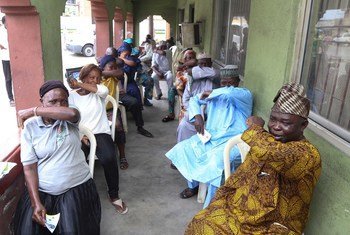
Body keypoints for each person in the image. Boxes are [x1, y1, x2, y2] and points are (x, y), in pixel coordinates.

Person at [185, 83, 322, 235]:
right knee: (200, 223)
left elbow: (273, 153)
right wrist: (220, 201)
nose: (276, 126)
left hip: (276, 225)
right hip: (243, 213)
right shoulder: (266, 141)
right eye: (273, 120)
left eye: (286, 123)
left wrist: (255, 128)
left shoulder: (308, 154)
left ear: (303, 125)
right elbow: (240, 177)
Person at [14, 80, 101, 234]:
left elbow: (72, 113)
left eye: (63, 101)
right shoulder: (31, 127)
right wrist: (36, 203)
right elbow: (29, 167)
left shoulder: (70, 118)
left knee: (72, 230)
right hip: (43, 190)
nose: (59, 105)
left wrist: (34, 111)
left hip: (75, 188)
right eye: (53, 101)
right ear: (42, 101)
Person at [166, 66, 253, 207]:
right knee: (183, 148)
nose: (227, 86)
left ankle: (210, 207)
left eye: (230, 82)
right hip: (212, 138)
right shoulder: (213, 96)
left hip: (233, 142)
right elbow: (194, 100)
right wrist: (197, 115)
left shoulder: (244, 95)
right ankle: (193, 185)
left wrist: (212, 92)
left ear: (238, 81)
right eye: (223, 83)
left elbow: (229, 93)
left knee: (216, 164)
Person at [67, 64, 128, 214]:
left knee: (108, 157)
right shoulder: (72, 96)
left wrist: (79, 84)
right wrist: (82, 136)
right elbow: (72, 119)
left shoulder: (100, 91)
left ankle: (113, 194)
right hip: (81, 134)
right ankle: (78, 195)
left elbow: (100, 89)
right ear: (83, 77)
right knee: (74, 159)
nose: (95, 81)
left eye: (97, 78)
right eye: (91, 78)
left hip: (100, 132)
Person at [176, 53, 219, 143]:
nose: (202, 67)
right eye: (200, 64)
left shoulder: (216, 76)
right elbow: (186, 100)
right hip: (194, 114)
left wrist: (194, 70)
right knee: (183, 126)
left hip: (212, 113)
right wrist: (196, 113)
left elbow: (213, 73)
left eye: (205, 64)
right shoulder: (192, 81)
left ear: (210, 63)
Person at [162, 49, 197, 122]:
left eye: (191, 58)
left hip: (195, 90)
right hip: (183, 91)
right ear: (184, 59)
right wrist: (186, 98)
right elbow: (179, 89)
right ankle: (171, 113)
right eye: (188, 58)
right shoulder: (181, 71)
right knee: (172, 90)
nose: (190, 60)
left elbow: (194, 61)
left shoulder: (197, 68)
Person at [0, 16, 14, 106]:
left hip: (15, 56)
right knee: (8, 78)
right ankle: (11, 98)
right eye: (7, 23)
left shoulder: (13, 28)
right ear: (4, 23)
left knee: (17, 77)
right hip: (5, 57)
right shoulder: (1, 30)